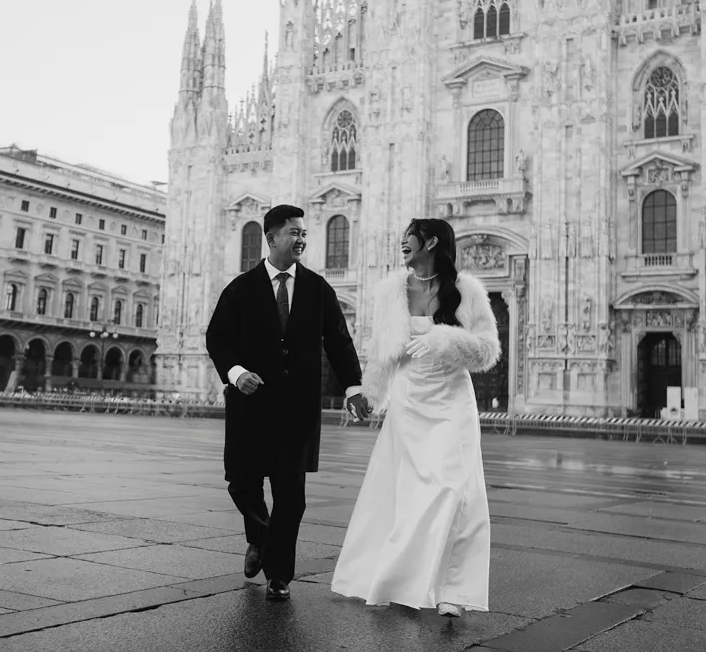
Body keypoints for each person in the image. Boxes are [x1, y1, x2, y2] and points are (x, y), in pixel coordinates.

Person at [331, 217, 499, 617]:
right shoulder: (391, 291)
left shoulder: (466, 290)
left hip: (452, 398)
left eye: (409, 236)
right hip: (408, 398)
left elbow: (488, 349)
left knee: (453, 489)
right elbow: (384, 351)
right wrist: (367, 394)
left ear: (431, 242)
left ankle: (452, 589)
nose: (402, 242)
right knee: (405, 494)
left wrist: (446, 339)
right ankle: (402, 581)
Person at [206, 204, 371, 601]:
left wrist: (353, 387)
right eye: (293, 233)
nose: (300, 239)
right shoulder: (241, 288)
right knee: (242, 484)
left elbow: (339, 341)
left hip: (296, 410)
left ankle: (279, 573)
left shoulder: (317, 288)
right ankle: (262, 539)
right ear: (272, 238)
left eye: (304, 234)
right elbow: (218, 339)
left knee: (291, 496)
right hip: (250, 405)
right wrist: (235, 372)